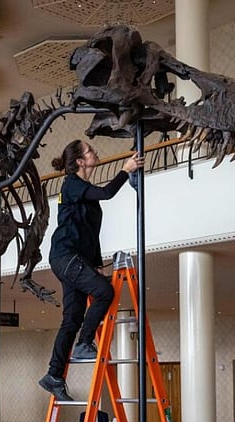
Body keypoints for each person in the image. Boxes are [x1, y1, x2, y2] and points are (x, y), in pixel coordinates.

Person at [39, 141, 143, 401]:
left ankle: (53, 375)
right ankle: (84, 344)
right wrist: (125, 169)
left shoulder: (81, 189)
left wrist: (94, 264)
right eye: (90, 151)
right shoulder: (72, 183)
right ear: (80, 162)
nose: (96, 152)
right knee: (104, 292)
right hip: (65, 257)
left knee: (71, 318)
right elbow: (107, 193)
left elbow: (88, 234)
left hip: (71, 259)